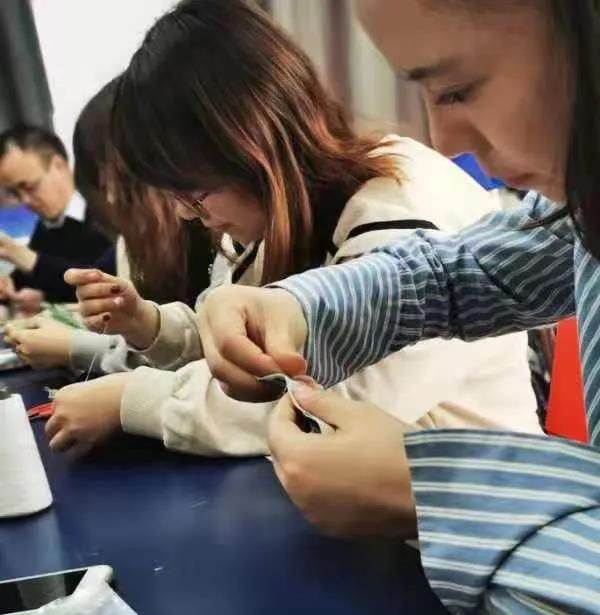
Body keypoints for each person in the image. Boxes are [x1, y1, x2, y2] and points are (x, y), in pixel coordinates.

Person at [194, 0, 600, 615]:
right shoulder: (583, 203)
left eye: (458, 89)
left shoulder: (384, 200)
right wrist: (300, 306)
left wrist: (441, 494)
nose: (446, 140)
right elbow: (463, 270)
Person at [43, 0, 540, 457]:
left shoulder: (398, 209)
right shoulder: (281, 217)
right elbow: (248, 349)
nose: (186, 214)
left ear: (249, 145)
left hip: (474, 500)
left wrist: (135, 400)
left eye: (194, 192)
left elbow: (325, 408)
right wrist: (154, 327)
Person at [7, 81, 214, 370]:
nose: (113, 197)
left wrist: (75, 345)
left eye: (29, 187)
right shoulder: (129, 236)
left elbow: (202, 352)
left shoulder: (212, 234)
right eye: (15, 193)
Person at [0, 125, 111, 302]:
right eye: (15, 193)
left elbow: (104, 280)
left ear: (59, 165)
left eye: (30, 187)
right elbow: (33, 279)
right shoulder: (46, 226)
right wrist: (10, 286)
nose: (25, 201)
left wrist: (23, 256)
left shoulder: (107, 213)